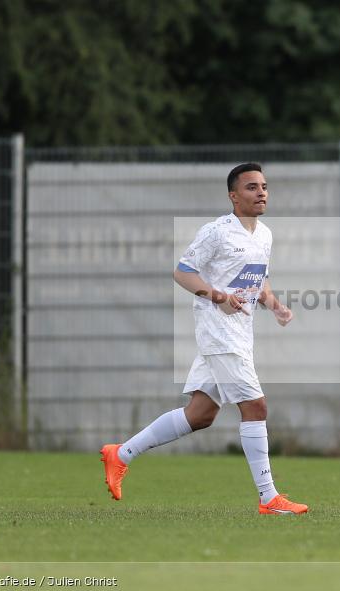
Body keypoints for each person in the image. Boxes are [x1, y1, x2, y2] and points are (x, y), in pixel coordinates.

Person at [100, 162, 308, 515]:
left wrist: (275, 305)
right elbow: (182, 272)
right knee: (256, 406)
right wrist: (218, 296)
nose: (261, 193)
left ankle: (121, 454)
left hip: (240, 333)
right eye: (251, 187)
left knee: (200, 415)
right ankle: (269, 498)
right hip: (218, 331)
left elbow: (258, 280)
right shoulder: (216, 232)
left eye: (264, 186)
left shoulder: (265, 234)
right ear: (233, 196)